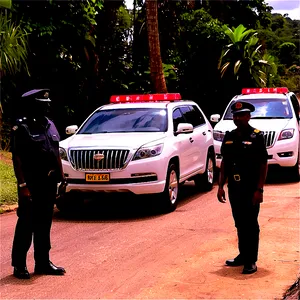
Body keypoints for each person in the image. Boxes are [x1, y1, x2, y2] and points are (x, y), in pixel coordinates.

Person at [10, 89, 67, 279]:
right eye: (43, 102)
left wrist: (61, 177)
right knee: (27, 224)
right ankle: (19, 265)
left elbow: (55, 151)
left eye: (48, 102)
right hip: (32, 183)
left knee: (44, 224)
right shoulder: (22, 127)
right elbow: (17, 158)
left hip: (49, 182)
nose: (48, 105)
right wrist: (23, 185)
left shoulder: (50, 124)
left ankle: (43, 262)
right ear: (33, 105)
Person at [217, 101, 268, 274]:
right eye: (235, 115)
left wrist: (259, 189)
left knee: (251, 224)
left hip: (250, 187)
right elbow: (225, 162)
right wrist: (220, 185)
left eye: (241, 115)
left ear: (248, 116)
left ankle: (251, 260)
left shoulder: (256, 136)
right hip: (235, 187)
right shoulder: (229, 136)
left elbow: (263, 163)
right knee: (239, 222)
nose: (238, 118)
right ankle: (242, 255)